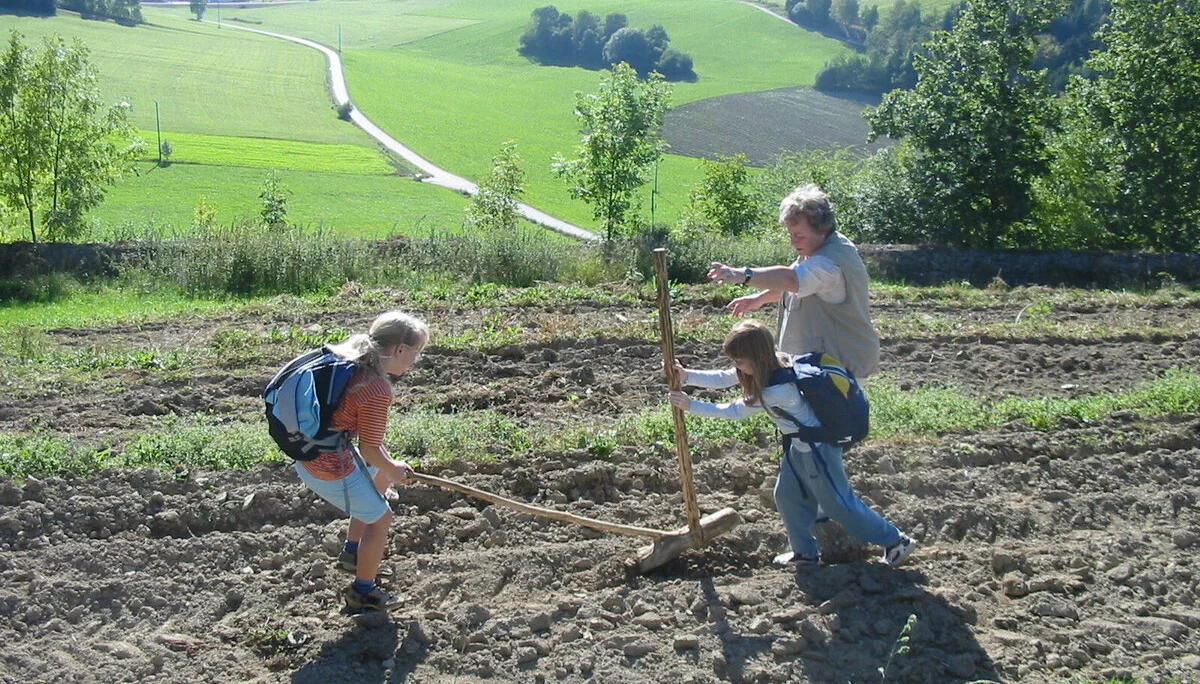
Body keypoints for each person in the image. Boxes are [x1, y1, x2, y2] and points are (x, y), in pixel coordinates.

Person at [667, 319, 914, 569]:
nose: (736, 366)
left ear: (758, 357)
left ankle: (896, 541)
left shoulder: (778, 390)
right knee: (787, 496)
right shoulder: (774, 362)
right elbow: (726, 377)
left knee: (839, 505)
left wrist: (690, 405)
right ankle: (805, 553)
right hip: (799, 447)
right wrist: (687, 376)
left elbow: (735, 411)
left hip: (818, 449)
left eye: (739, 361)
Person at [291, 311, 427, 611]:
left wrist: (390, 467)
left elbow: (373, 449)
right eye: (416, 352)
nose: (415, 360)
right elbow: (370, 451)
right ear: (400, 350)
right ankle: (362, 592)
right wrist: (394, 468)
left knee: (381, 474)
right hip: (327, 465)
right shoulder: (377, 389)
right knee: (382, 518)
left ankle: (353, 553)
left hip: (310, 451)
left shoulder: (354, 360)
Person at [707, 184, 880, 380]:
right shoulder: (818, 248)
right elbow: (790, 284)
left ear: (822, 229)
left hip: (839, 367)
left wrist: (743, 274)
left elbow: (791, 279)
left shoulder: (828, 264)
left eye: (799, 235)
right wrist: (759, 299)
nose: (793, 242)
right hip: (821, 367)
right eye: (791, 234)